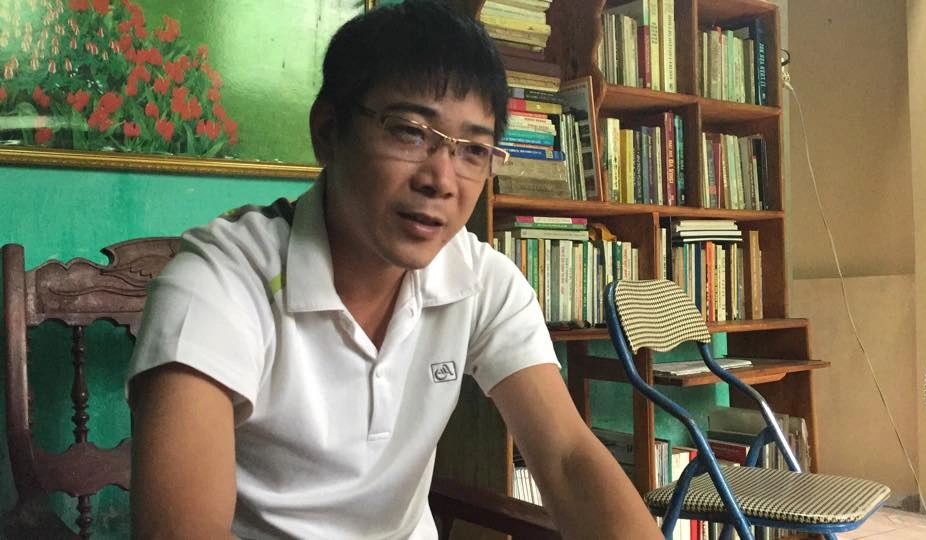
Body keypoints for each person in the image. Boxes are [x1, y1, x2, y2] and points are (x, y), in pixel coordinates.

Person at [126, 1, 663, 538]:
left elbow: (567, 457)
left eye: (474, 151)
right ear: (328, 131)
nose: (441, 180)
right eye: (410, 131)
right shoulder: (220, 283)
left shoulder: (481, 282)